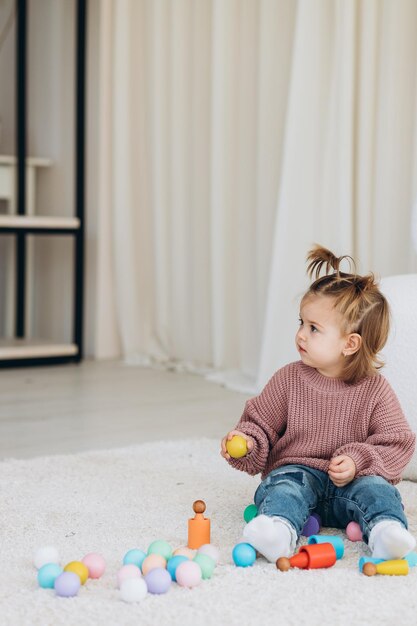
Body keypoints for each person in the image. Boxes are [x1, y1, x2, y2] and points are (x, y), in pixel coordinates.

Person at [221, 245, 416, 563]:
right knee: (283, 488)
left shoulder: (375, 390)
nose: (300, 335)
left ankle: (385, 531)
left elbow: (397, 444)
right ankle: (278, 530)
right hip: (299, 473)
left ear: (350, 344)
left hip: (352, 482)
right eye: (301, 322)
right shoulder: (288, 378)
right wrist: (245, 440)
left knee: (378, 491)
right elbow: (260, 424)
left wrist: (357, 460)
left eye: (314, 329)